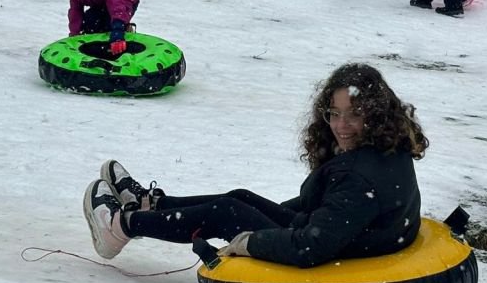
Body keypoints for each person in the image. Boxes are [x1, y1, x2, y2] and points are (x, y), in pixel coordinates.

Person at [83, 63, 428, 268]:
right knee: (240, 198)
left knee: (225, 212)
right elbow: (326, 210)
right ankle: (152, 205)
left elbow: (310, 248)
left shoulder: (358, 179)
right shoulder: (387, 146)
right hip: (347, 239)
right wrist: (264, 214)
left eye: (354, 115)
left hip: (334, 255)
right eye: (334, 114)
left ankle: (121, 226)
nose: (341, 126)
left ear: (375, 114)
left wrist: (252, 242)